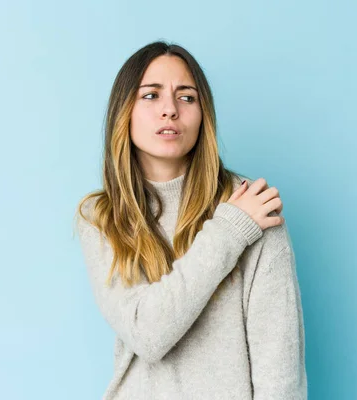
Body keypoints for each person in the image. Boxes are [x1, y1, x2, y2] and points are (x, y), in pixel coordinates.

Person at [75, 40, 307, 399]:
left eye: (186, 97)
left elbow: (279, 369)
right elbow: (148, 334)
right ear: (125, 111)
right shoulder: (101, 217)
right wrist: (230, 229)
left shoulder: (253, 206)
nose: (169, 110)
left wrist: (238, 219)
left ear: (203, 115)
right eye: (150, 96)